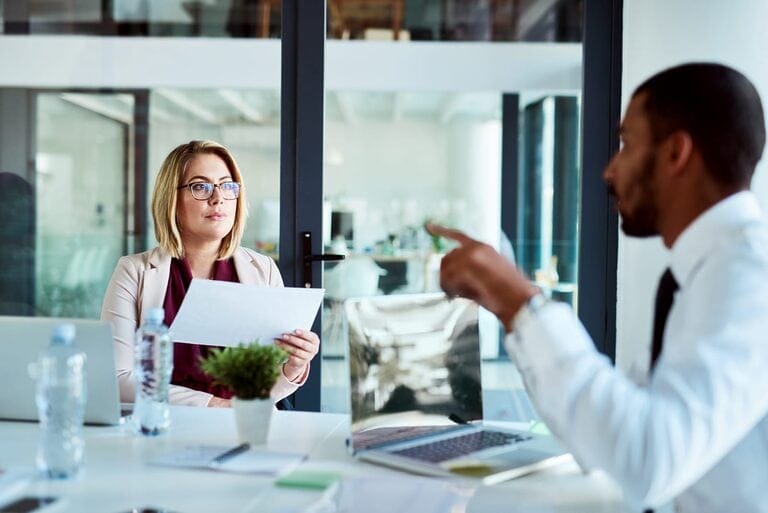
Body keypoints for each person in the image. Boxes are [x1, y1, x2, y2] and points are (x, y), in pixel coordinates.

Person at [428, 62, 768, 512]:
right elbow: (614, 438)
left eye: (626, 144)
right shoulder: (701, 272)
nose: (609, 171)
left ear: (675, 154)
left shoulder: (749, 275)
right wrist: (513, 307)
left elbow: (643, 464)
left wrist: (522, 304)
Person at [101, 140, 320, 408]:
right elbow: (118, 378)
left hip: (244, 424)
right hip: (163, 424)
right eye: (200, 187)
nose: (218, 198)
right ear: (171, 199)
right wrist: (212, 404)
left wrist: (294, 365)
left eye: (227, 186)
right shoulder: (134, 272)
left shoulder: (262, 269)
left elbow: (265, 384)